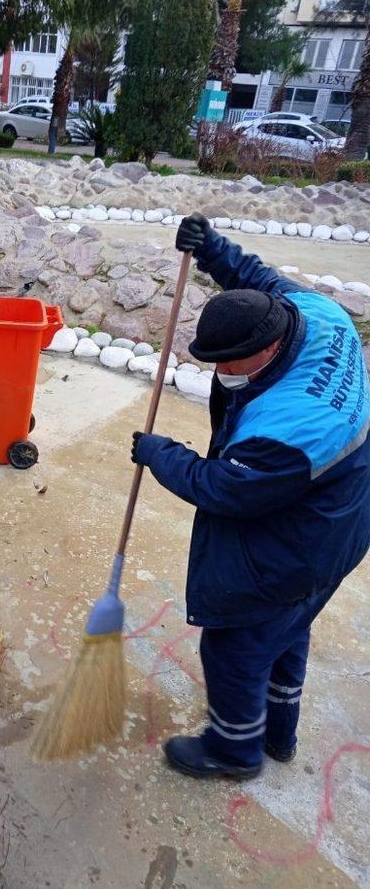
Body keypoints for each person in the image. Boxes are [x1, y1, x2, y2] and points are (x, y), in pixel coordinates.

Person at [131, 214, 370, 779]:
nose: (220, 372)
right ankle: (279, 733)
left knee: (236, 647)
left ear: (262, 353)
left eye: (226, 365)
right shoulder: (314, 314)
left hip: (303, 542)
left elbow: (221, 488)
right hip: (343, 523)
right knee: (288, 627)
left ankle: (234, 751)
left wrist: (160, 452)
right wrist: (210, 248)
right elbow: (257, 276)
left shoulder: (287, 431)